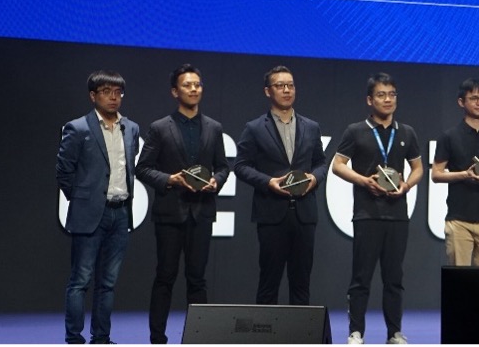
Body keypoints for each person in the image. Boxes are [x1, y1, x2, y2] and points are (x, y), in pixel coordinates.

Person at [136, 64, 230, 345]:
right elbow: (142, 168)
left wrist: (216, 181)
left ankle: (198, 339)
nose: (193, 89)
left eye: (197, 84)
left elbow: (223, 167)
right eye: (187, 85)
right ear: (175, 92)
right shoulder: (160, 127)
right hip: (169, 213)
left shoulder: (214, 127)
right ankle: (157, 339)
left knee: (197, 278)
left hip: (201, 212)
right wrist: (170, 179)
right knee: (165, 277)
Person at [332, 73, 424, 345]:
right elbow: (337, 165)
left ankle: (394, 333)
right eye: (381, 95)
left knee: (394, 278)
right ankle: (355, 332)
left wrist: (406, 185)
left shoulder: (406, 132)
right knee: (361, 277)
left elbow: (418, 168)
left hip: (397, 215)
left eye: (392, 94)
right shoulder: (355, 131)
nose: (388, 100)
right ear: (369, 100)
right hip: (366, 214)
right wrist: (364, 181)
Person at [56, 70, 141, 345]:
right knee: (80, 280)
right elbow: (64, 171)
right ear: (93, 96)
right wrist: (83, 200)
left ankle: (101, 338)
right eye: (106, 92)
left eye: (118, 92)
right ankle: (74, 338)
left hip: (121, 212)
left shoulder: (131, 128)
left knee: (108, 282)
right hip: (90, 213)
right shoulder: (78, 128)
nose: (113, 97)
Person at [233, 65, 328, 304]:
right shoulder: (254, 128)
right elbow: (241, 166)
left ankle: (300, 330)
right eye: (280, 86)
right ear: (268, 91)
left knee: (301, 284)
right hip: (271, 214)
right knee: (269, 284)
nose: (287, 90)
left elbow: (321, 163)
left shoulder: (311, 126)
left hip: (305, 215)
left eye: (290, 85)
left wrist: (315, 178)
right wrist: (268, 182)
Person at [430, 78, 479, 266]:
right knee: (459, 278)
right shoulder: (449, 136)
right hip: (459, 220)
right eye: (474, 98)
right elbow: (436, 174)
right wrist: (464, 175)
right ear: (461, 102)